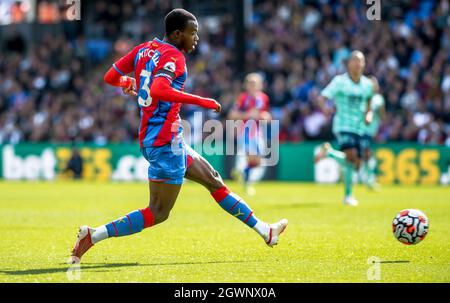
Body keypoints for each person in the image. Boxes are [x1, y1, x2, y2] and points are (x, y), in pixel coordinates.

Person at [71, 8, 287, 263]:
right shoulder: (174, 56)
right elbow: (161, 89)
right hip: (164, 141)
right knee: (158, 212)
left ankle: (265, 230)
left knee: (214, 180)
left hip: (164, 138)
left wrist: (129, 83)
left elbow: (111, 77)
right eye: (192, 32)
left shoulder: (145, 48)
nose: (196, 38)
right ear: (176, 34)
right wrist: (202, 101)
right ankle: (93, 235)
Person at [315, 51, 373, 206]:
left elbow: (369, 104)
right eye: (354, 60)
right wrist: (325, 109)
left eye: (360, 60)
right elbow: (322, 97)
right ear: (348, 64)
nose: (357, 63)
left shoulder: (368, 84)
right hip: (343, 125)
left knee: (356, 164)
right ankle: (348, 196)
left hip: (359, 127)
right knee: (351, 156)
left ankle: (329, 153)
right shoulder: (339, 81)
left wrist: (369, 116)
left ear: (364, 64)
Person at [228, 73, 271, 195]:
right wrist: (247, 115)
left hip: (258, 132)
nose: (253, 86)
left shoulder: (264, 98)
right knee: (251, 157)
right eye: (251, 83)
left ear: (260, 85)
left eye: (255, 83)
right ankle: (247, 184)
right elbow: (232, 115)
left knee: (257, 162)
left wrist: (265, 117)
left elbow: (265, 115)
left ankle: (241, 172)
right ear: (246, 85)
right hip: (245, 131)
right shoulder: (243, 98)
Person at [360, 76, 385, 190]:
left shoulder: (379, 98)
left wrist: (380, 131)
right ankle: (368, 179)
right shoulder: (363, 97)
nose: (374, 86)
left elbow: (382, 116)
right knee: (366, 154)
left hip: (372, 132)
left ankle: (367, 178)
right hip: (362, 130)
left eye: (376, 84)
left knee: (367, 155)